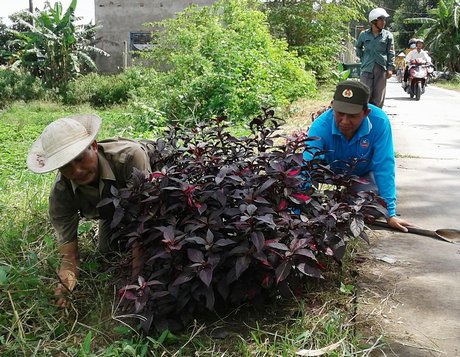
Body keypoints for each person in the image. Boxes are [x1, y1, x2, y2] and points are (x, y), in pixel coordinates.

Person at [27, 114, 152, 307]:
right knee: (107, 251)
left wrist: (136, 285)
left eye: (80, 158)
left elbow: (143, 222)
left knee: (153, 247)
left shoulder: (129, 158)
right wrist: (65, 284)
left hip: (157, 190)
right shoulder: (61, 195)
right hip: (114, 210)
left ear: (93, 146)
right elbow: (69, 255)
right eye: (65, 166)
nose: (76, 171)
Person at [303, 80, 411, 232]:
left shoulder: (379, 122)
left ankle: (343, 203)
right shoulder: (320, 127)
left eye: (352, 115)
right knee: (310, 201)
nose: (345, 121)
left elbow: (384, 166)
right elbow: (307, 166)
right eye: (340, 113)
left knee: (373, 207)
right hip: (328, 175)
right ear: (332, 106)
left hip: (361, 177)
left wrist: (390, 214)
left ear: (366, 112)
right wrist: (299, 208)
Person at [355, 7, 395, 108]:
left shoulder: (388, 36)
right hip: (366, 68)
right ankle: (363, 119)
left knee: (378, 98)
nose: (383, 22)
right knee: (364, 95)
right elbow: (358, 47)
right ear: (374, 21)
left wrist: (390, 68)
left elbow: (391, 52)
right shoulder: (363, 35)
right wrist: (363, 58)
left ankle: (376, 120)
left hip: (381, 69)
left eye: (384, 19)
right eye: (381, 19)